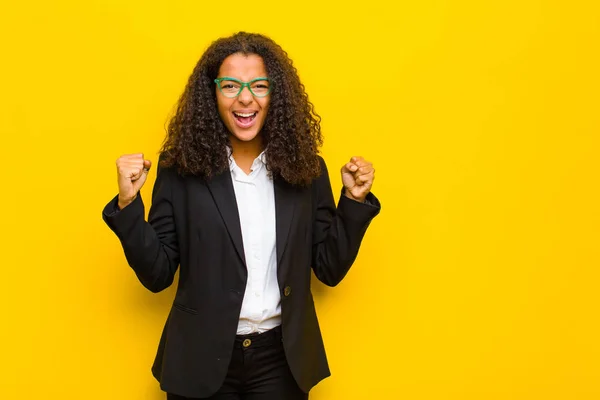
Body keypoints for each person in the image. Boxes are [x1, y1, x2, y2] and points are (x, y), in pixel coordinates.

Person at [102, 32, 381, 399]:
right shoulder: (179, 172)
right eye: (230, 85)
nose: (245, 97)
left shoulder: (306, 171)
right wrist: (127, 206)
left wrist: (353, 201)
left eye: (259, 85)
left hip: (280, 361)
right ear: (212, 95)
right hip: (200, 359)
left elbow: (328, 269)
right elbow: (156, 275)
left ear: (275, 95)